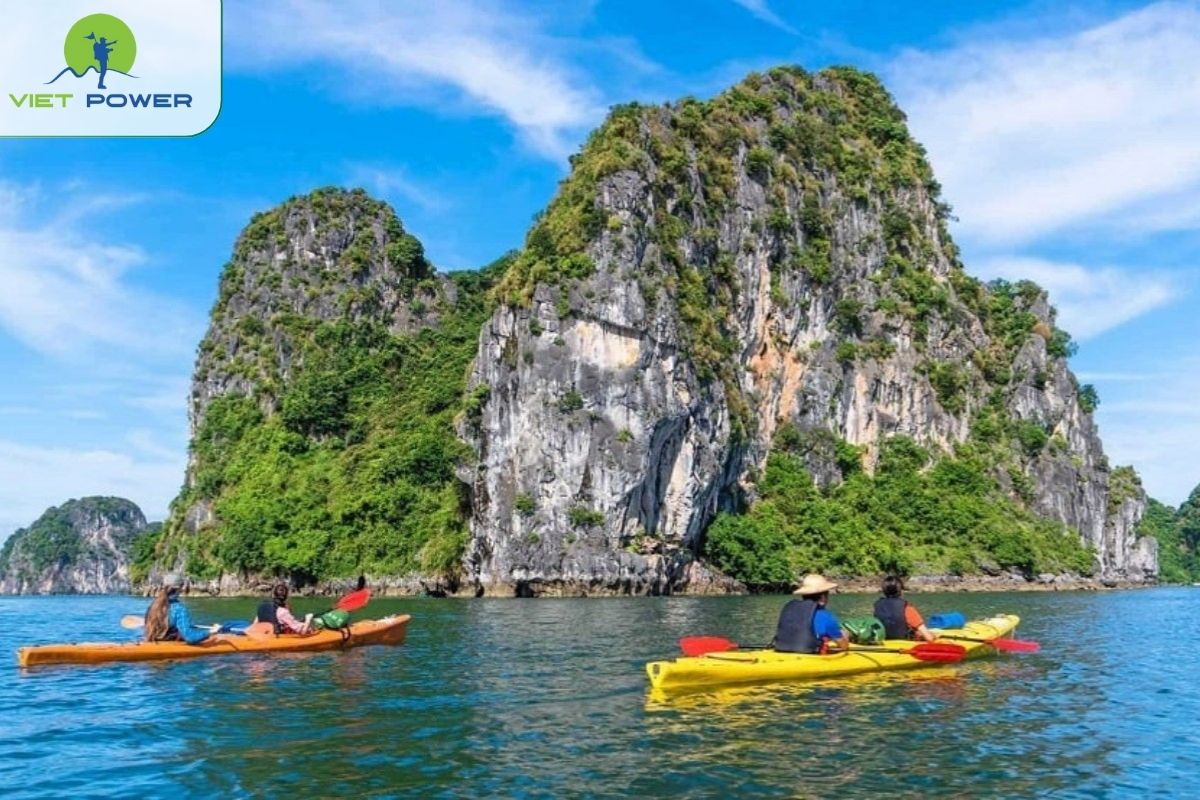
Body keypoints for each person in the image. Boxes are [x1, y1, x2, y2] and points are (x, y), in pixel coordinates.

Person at [773, 573, 849, 654]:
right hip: (809, 656)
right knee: (844, 633)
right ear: (823, 598)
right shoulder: (826, 617)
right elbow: (843, 646)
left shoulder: (791, 611)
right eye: (827, 595)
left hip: (782, 650)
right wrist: (845, 635)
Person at [143, 573, 218, 644]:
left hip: (153, 642)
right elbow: (190, 637)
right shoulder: (179, 608)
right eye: (182, 585)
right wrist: (211, 631)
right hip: (172, 647)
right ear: (179, 588)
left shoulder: (153, 605)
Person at [873, 575, 936, 642]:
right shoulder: (906, 607)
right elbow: (929, 638)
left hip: (885, 642)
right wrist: (934, 636)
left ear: (884, 591)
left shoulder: (877, 605)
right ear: (900, 591)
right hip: (904, 644)